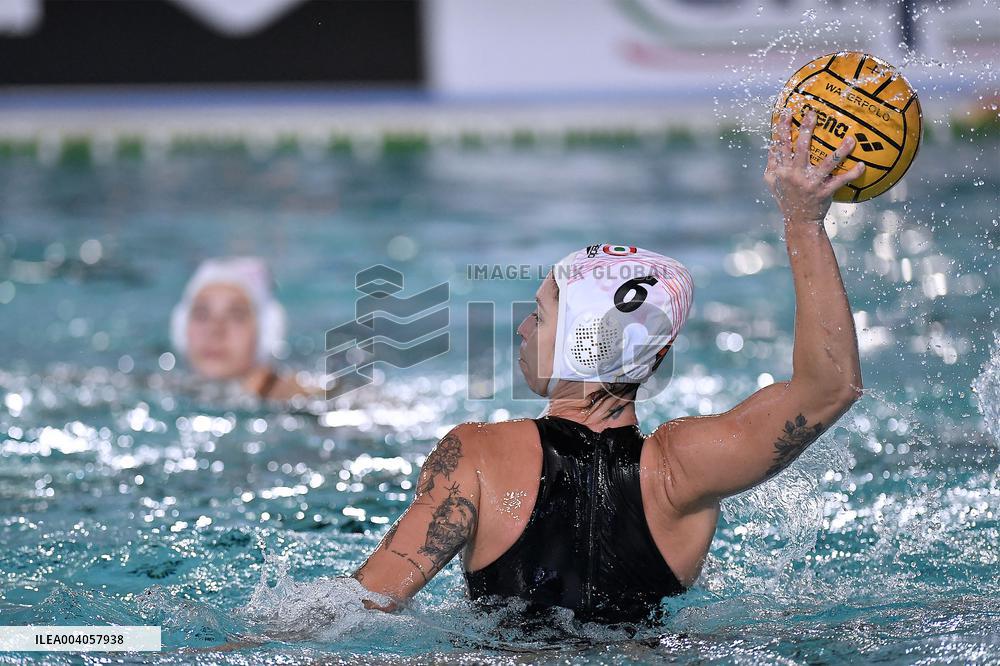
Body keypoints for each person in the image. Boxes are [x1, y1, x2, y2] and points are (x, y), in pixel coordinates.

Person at [351, 108, 866, 624]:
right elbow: (830, 387)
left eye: (540, 315)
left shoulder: (478, 454)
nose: (523, 329)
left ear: (583, 341)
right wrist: (804, 223)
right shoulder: (684, 472)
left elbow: (362, 607)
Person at [170, 256, 312, 401]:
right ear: (181, 329)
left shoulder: (294, 398)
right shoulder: (163, 388)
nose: (215, 330)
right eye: (201, 315)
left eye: (236, 316)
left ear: (264, 333)